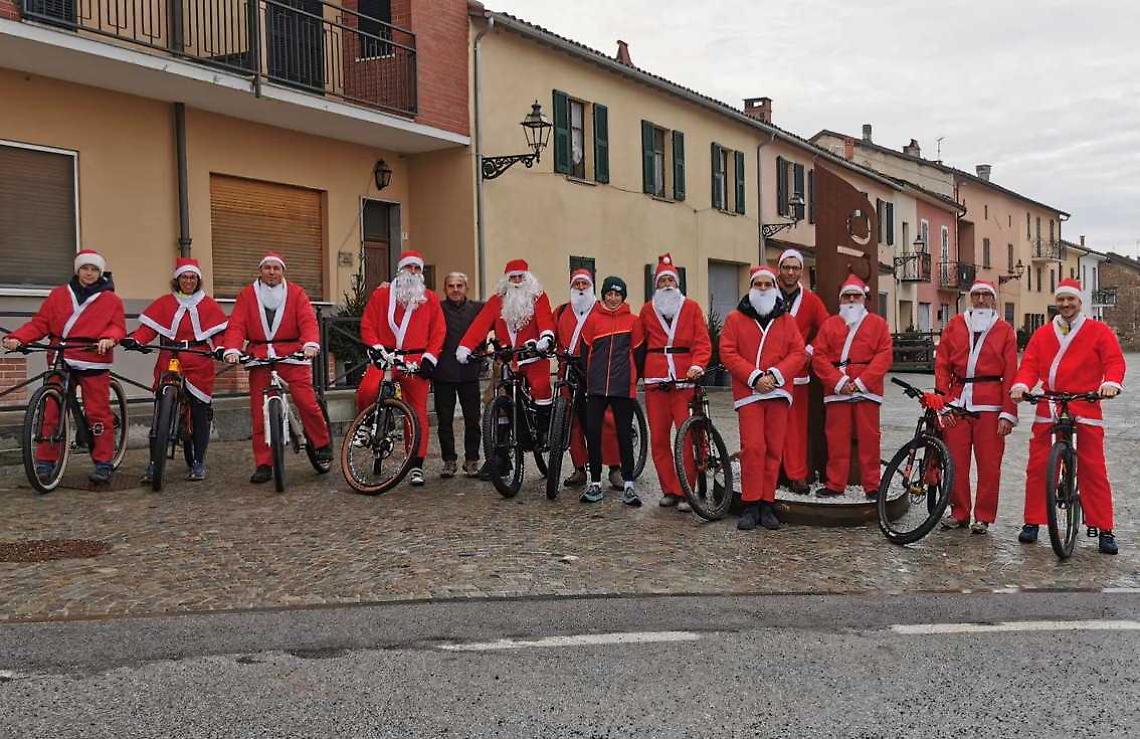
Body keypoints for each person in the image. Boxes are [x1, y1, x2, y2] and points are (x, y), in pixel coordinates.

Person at [1010, 278, 1126, 554]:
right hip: (1050, 403)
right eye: (1061, 299)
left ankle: (1104, 528)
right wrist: (1022, 384)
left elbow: (1114, 361)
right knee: (1038, 465)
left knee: (1093, 467)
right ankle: (1033, 522)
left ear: (1079, 301)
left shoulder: (1099, 331)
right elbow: (1029, 365)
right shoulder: (1043, 334)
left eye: (1070, 299)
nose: (1065, 304)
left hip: (1085, 401)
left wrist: (1110, 383)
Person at [3, 249, 126, 484]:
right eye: (85, 268)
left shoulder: (112, 300)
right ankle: (45, 462)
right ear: (77, 270)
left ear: (100, 272)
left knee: (97, 411)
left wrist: (108, 338)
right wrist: (18, 338)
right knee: (50, 410)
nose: (88, 273)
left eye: (93, 269)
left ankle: (103, 462)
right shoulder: (59, 295)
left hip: (93, 356)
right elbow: (41, 324)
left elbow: (117, 327)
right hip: (61, 356)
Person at [221, 252, 332, 483]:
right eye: (267, 268)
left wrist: (310, 344)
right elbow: (237, 325)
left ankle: (321, 443)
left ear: (283, 271)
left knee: (306, 401)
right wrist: (232, 349)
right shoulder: (247, 295)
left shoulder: (297, 293)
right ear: (260, 271)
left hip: (292, 354)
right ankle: (264, 463)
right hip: (260, 355)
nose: (272, 272)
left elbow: (307, 321)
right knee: (259, 413)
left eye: (276, 268)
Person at [121, 257, 228, 482]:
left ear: (197, 280)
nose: (188, 281)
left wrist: (220, 348)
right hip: (169, 356)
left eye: (192, 277)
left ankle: (198, 461)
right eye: (184, 277)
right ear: (177, 279)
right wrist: (136, 340)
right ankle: (153, 464)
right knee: (160, 408)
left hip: (198, 361)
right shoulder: (164, 303)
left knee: (200, 410)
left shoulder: (208, 304)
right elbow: (147, 330)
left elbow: (219, 334)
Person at [720, 265, 806, 531]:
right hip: (750, 392)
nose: (764, 289)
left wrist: (776, 375)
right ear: (751, 287)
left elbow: (798, 353)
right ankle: (750, 503)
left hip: (778, 392)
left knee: (772, 448)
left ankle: (767, 503)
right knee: (753, 448)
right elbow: (728, 351)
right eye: (759, 284)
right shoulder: (735, 319)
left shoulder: (787, 320)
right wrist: (755, 376)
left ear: (775, 288)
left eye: (768, 284)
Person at [933, 280, 1018, 534]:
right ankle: (959, 512)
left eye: (986, 295)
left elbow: (1011, 373)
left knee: (989, 464)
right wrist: (942, 399)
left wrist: (1008, 412)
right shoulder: (955, 325)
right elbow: (942, 364)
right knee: (955, 460)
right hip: (958, 401)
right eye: (976, 295)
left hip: (990, 405)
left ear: (993, 300)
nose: (981, 300)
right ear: (970, 298)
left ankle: (983, 516)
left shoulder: (1004, 331)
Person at [355, 250, 446, 487]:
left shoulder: (430, 299)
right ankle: (366, 424)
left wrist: (430, 358)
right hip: (385, 356)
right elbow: (367, 323)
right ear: (400, 270)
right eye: (409, 268)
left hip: (415, 359)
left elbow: (438, 332)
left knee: (416, 413)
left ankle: (416, 462)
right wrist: (374, 347)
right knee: (367, 389)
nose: (413, 272)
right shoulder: (383, 294)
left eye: (417, 269)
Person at [639, 254, 712, 511]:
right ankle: (668, 488)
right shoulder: (647, 310)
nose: (667, 284)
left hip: (684, 377)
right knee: (658, 437)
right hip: (656, 379)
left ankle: (685, 490)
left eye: (670, 279)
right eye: (662, 280)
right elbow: (638, 343)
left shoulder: (690, 307)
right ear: (656, 285)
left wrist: (697, 365)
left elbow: (703, 342)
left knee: (686, 436)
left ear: (677, 282)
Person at [811, 274, 893, 498]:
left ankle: (872, 485)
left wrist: (861, 382)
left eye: (856, 295)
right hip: (838, 391)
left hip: (867, 390)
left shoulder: (878, 324)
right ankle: (835, 483)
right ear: (841, 300)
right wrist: (839, 382)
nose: (851, 300)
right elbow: (819, 357)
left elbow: (884, 356)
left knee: (870, 439)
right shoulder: (829, 325)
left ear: (864, 298)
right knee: (836, 439)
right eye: (847, 296)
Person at [456, 259, 556, 438]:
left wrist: (546, 338)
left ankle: (543, 431)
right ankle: (501, 449)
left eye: (520, 277)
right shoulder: (497, 301)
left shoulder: (538, 297)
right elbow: (480, 325)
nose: (517, 281)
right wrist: (465, 347)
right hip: (506, 360)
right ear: (507, 280)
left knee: (541, 387)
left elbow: (545, 319)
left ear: (527, 278)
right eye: (513, 278)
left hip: (532, 357)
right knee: (497, 394)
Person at [578, 276, 645, 505]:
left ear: (623, 297)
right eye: (609, 294)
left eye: (617, 294)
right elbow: (585, 353)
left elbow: (639, 354)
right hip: (596, 388)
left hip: (622, 388)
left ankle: (628, 484)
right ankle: (595, 482)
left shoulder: (634, 322)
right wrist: (590, 378)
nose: (613, 298)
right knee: (594, 434)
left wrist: (633, 379)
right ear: (603, 295)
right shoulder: (592, 320)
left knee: (624, 436)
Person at [553, 269, 623, 489]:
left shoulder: (601, 310)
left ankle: (614, 468)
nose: (581, 288)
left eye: (584, 284)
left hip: (596, 369)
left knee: (606, 419)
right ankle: (580, 467)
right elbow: (551, 335)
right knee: (571, 420)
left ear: (591, 286)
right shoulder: (561, 310)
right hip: (568, 369)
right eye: (577, 284)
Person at [774, 248, 829, 495]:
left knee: (796, 427)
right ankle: (772, 473)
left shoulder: (811, 301)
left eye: (795, 268)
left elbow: (826, 330)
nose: (790, 272)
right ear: (779, 268)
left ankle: (796, 474)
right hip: (769, 374)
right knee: (770, 427)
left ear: (801, 271)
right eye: (786, 267)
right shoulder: (765, 293)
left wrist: (810, 349)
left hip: (797, 373)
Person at [433, 271, 484, 479]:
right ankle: (449, 460)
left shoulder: (477, 309)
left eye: (459, 286)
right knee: (444, 420)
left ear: (466, 289)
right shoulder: (437, 309)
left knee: (473, 419)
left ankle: (472, 460)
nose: (455, 290)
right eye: (451, 286)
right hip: (443, 372)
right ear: (445, 289)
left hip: (469, 372)